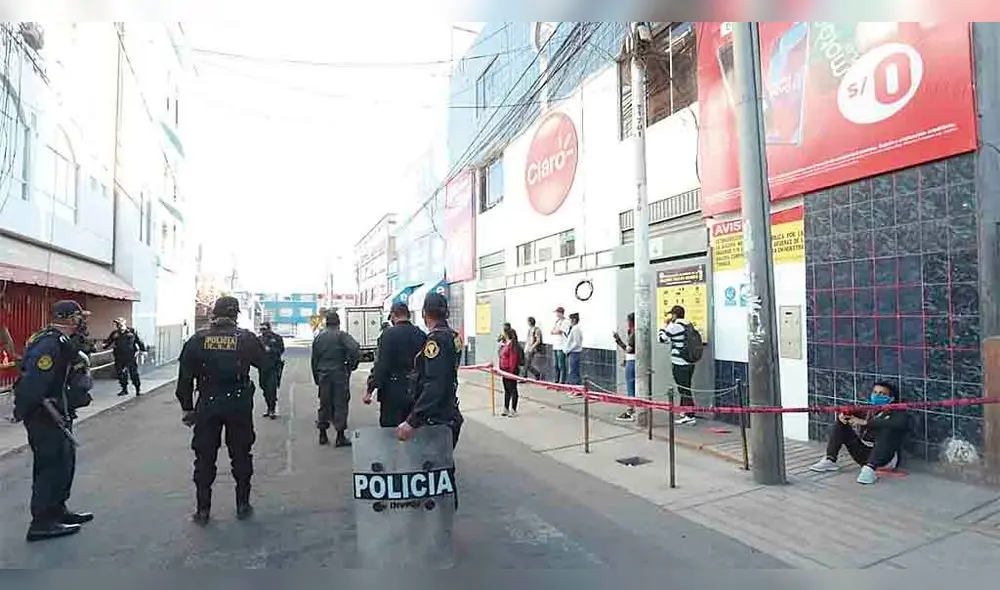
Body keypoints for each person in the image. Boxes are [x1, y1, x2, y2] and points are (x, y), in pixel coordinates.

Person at [175, 296, 266, 525]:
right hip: (238, 403)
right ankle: (242, 504)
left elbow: (184, 379)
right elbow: (266, 364)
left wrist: (187, 407)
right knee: (241, 454)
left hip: (208, 402)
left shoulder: (198, 340)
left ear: (213, 314)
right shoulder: (246, 338)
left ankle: (203, 509)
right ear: (236, 315)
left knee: (204, 457)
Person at [12, 300, 95, 542]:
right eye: (80, 317)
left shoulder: (63, 342)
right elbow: (33, 383)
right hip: (45, 416)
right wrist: (22, 410)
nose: (83, 321)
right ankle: (41, 522)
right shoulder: (48, 344)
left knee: (64, 463)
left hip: (60, 413)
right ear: (69, 318)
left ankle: (58, 509)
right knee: (49, 467)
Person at [396, 292, 464, 450]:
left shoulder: (436, 341)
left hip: (436, 418)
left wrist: (412, 421)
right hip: (448, 411)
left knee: (433, 467)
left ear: (424, 314)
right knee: (443, 466)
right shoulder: (454, 337)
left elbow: (435, 384)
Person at [809, 381, 909, 484]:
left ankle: (870, 469)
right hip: (864, 453)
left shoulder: (898, 412)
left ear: (891, 398)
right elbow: (851, 409)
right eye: (874, 392)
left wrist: (865, 422)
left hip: (884, 458)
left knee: (886, 428)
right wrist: (844, 415)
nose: (876, 396)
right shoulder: (869, 409)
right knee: (841, 422)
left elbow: (900, 423)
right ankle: (830, 459)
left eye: (882, 394)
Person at [365, 302, 426, 427]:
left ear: (393, 315)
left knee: (391, 434)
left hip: (392, 392)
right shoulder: (421, 335)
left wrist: (370, 389)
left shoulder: (388, 335)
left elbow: (381, 366)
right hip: (416, 392)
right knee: (413, 431)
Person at [312, 310, 361, 447]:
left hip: (323, 374)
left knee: (324, 403)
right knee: (340, 403)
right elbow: (355, 348)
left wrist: (316, 377)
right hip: (339, 373)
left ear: (326, 322)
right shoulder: (341, 335)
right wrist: (351, 365)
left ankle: (322, 434)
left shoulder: (319, 337)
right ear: (338, 323)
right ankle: (340, 436)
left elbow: (314, 360)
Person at [658, 305, 696, 425]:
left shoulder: (675, 326)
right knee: (686, 387)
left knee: (683, 389)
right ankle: (684, 411)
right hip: (690, 362)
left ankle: (690, 415)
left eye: (672, 314)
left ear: (675, 315)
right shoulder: (688, 324)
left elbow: (661, 339)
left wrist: (665, 326)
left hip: (680, 362)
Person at [103, 318, 146, 397]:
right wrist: (104, 346)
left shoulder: (132, 331)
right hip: (119, 357)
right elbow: (108, 342)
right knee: (121, 374)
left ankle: (137, 389)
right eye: (117, 324)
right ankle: (124, 389)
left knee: (134, 373)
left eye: (120, 323)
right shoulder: (115, 333)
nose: (118, 325)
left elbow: (139, 341)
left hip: (130, 357)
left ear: (124, 323)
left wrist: (143, 350)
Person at [257, 321, 285, 418]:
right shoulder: (259, 339)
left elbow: (281, 350)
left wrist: (271, 350)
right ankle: (269, 407)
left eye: (264, 329)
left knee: (271, 388)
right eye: (261, 329)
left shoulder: (276, 338)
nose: (263, 331)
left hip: (274, 367)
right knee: (263, 387)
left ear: (269, 328)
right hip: (263, 368)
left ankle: (272, 409)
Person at [613, 312, 636, 422]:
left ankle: (630, 411)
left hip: (632, 361)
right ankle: (634, 410)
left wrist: (618, 340)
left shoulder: (633, 334)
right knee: (634, 386)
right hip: (634, 360)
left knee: (630, 386)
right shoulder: (635, 332)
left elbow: (628, 349)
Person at [499, 326, 521, 417]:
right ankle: (506, 408)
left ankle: (513, 409)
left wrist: (511, 372)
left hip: (510, 371)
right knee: (507, 390)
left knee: (513, 389)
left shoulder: (513, 345)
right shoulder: (506, 344)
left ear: (508, 335)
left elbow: (513, 359)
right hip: (504, 370)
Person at [550, 307, 570, 383]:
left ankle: (562, 382)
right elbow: (552, 330)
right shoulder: (557, 321)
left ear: (561, 313)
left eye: (557, 312)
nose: (556, 314)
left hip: (561, 346)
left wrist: (555, 331)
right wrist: (555, 331)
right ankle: (556, 380)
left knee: (561, 365)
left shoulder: (566, 321)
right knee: (555, 365)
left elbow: (560, 331)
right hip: (555, 345)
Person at [564, 313, 583, 386]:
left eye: (570, 320)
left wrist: (568, 350)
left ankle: (576, 388)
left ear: (574, 320)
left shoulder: (576, 329)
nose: (569, 322)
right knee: (573, 371)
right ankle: (576, 388)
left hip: (574, 352)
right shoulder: (574, 328)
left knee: (573, 371)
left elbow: (576, 343)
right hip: (573, 352)